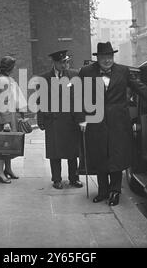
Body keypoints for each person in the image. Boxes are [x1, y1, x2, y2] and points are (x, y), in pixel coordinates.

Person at [79, 42, 147, 205]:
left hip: (118, 123)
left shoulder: (123, 71)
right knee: (100, 156)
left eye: (110, 57)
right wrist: (81, 118)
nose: (107, 60)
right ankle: (103, 191)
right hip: (95, 122)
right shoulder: (86, 72)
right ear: (98, 58)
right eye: (104, 57)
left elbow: (139, 87)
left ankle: (115, 192)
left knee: (116, 157)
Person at [37, 50, 84, 190]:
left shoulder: (74, 75)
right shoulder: (44, 78)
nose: (65, 65)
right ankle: (56, 179)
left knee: (72, 152)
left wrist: (81, 119)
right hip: (53, 121)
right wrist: (41, 119)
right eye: (62, 62)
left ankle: (74, 178)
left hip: (70, 120)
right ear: (55, 63)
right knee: (55, 152)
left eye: (66, 62)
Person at [0, 55, 26, 184]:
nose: (14, 68)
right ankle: (0, 172)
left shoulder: (6, 79)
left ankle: (8, 169)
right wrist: (6, 121)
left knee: (8, 144)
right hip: (3, 117)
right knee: (2, 144)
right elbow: (2, 101)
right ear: (9, 67)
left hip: (8, 115)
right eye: (13, 66)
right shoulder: (2, 81)